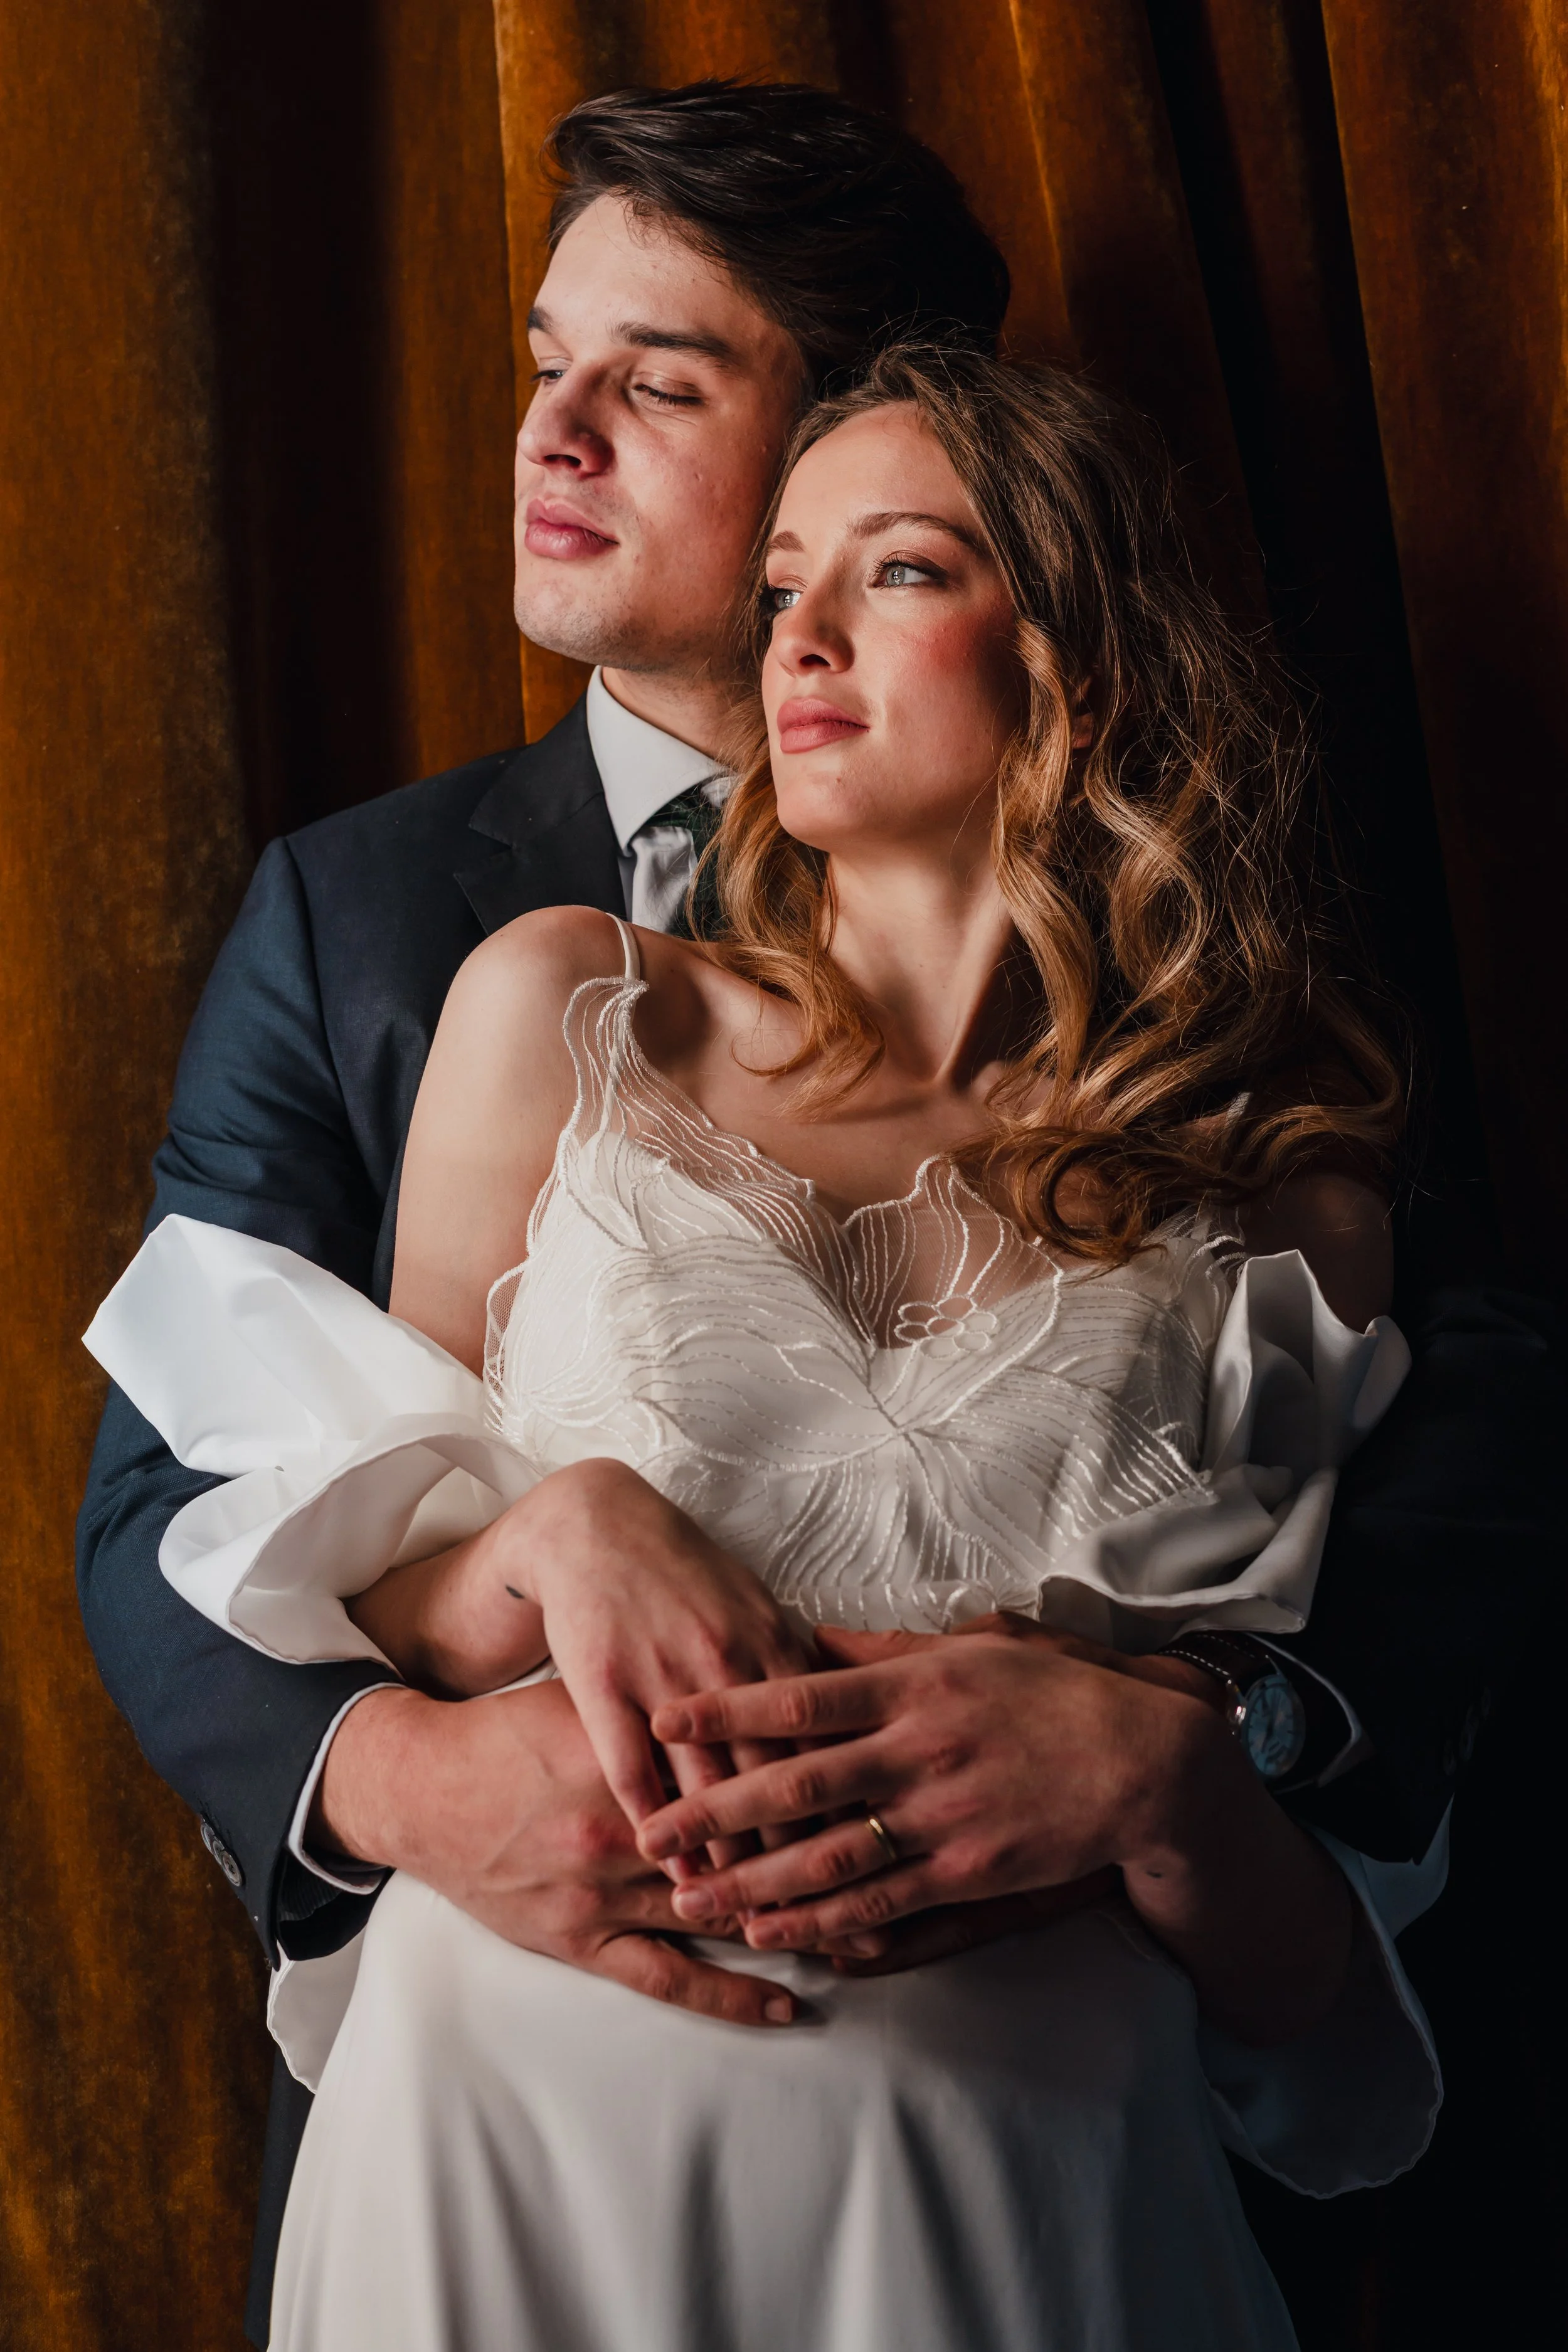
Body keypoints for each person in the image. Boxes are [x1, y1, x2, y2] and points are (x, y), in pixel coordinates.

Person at [74, 79, 1552, 2348]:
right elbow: (184, 1497)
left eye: (654, 382)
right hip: (502, 2159)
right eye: (540, 364)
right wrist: (411, 1763)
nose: (549, 434)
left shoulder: (1266, 1095)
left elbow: (1446, 1502)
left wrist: (1195, 1746)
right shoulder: (394, 931)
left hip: (1023, 2196)